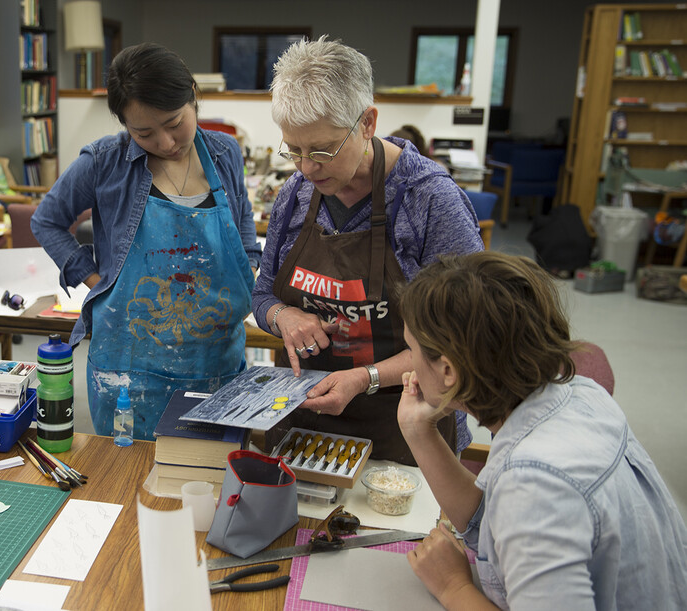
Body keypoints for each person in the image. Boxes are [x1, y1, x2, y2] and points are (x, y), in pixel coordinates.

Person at [399, 251, 687, 609]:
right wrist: (418, 430)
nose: (409, 362)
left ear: (448, 372)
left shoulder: (534, 487)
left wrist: (455, 588)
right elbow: (491, 523)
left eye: (411, 349)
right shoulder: (581, 394)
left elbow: (527, 508)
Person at [253, 35, 484, 464]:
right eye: (295, 150)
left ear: (367, 123)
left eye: (322, 150)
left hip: (407, 428)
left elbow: (464, 339)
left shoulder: (429, 202)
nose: (306, 167)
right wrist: (284, 316)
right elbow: (263, 293)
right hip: (305, 422)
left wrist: (366, 377)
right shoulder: (295, 195)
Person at [32, 43, 260, 440]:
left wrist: (247, 274)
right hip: (128, 365)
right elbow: (47, 221)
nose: (167, 142)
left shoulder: (224, 153)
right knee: (129, 481)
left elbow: (244, 235)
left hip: (215, 357)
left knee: (206, 479)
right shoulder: (104, 162)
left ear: (192, 94)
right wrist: (94, 280)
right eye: (144, 133)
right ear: (125, 125)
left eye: (174, 123)